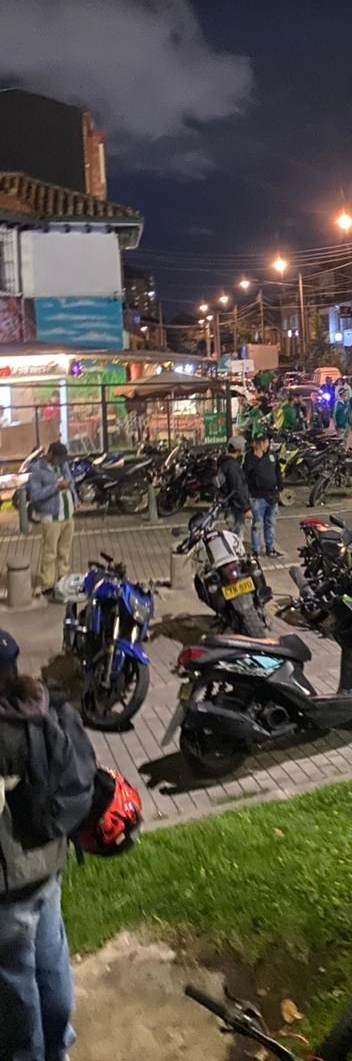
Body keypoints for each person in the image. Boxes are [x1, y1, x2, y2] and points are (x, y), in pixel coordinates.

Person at [0, 628, 94, 1060]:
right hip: (50, 863)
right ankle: (59, 1048)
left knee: (16, 987)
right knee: (52, 965)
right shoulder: (35, 702)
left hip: (10, 886)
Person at [27, 444, 76, 601]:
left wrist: (75, 498)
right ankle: (47, 585)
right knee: (50, 553)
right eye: (58, 458)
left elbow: (71, 481)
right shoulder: (37, 469)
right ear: (50, 454)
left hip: (68, 515)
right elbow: (35, 495)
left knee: (64, 552)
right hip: (51, 517)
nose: (61, 462)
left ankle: (63, 582)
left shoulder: (63, 464)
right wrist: (56, 487)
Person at [243, 434, 284, 558]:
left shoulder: (272, 455)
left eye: (265, 441)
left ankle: (270, 548)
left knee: (270, 523)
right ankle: (256, 550)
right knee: (257, 524)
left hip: (272, 496)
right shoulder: (249, 457)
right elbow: (245, 475)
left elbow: (278, 472)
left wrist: (280, 488)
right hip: (258, 497)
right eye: (261, 442)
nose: (264, 444)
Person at [218, 436, 253, 536]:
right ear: (238, 449)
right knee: (236, 535)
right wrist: (246, 509)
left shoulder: (223, 462)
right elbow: (237, 488)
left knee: (233, 532)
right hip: (235, 507)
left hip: (229, 504)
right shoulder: (232, 466)